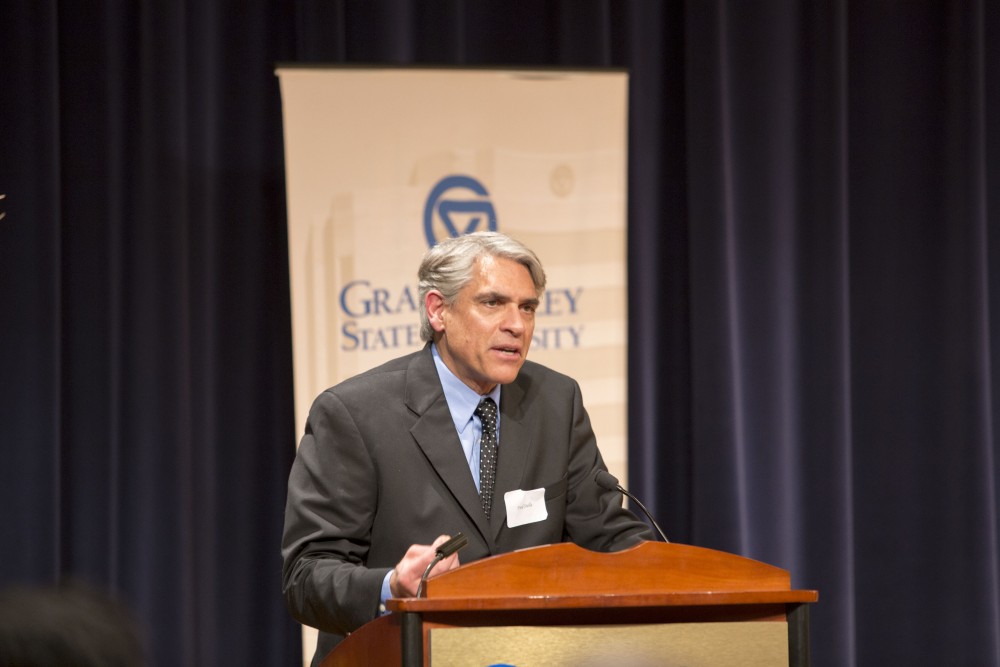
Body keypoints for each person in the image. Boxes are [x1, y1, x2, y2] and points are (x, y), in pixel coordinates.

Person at [281, 231, 652, 665]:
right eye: (493, 303)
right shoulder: (354, 415)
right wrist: (392, 586)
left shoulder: (556, 401)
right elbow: (305, 577)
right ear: (438, 310)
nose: (517, 324)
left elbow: (607, 536)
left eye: (527, 307)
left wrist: (669, 576)